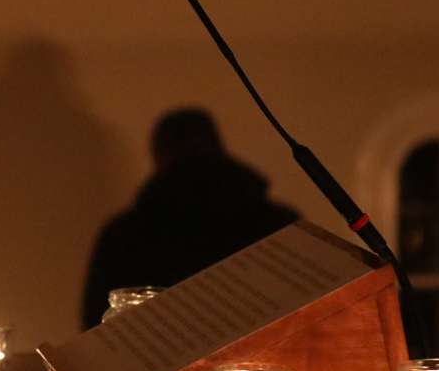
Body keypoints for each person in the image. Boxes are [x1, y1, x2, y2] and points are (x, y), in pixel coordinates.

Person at [81, 107, 299, 327]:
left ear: (159, 155)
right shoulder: (279, 222)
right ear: (217, 146)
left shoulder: (123, 236)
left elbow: (96, 328)